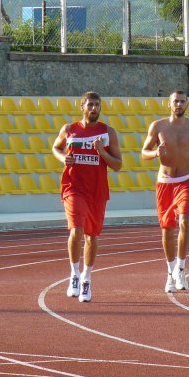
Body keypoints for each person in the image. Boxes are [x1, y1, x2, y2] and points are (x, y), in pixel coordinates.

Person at [52, 91, 122, 302]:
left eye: (97, 105)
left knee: (92, 236)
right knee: (77, 229)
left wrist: (102, 151)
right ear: (82, 107)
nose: (94, 109)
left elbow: (118, 165)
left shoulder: (108, 132)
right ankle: (73, 274)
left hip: (97, 191)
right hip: (73, 188)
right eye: (90, 105)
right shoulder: (69, 129)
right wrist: (63, 157)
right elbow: (55, 147)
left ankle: (86, 278)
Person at [141, 90, 189, 293]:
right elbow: (143, 152)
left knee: (184, 221)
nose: (178, 105)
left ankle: (181, 267)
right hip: (165, 182)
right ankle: (171, 272)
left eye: (182, 101)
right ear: (169, 104)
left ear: (187, 104)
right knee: (167, 230)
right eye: (175, 102)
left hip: (188, 180)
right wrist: (155, 153)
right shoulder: (158, 126)